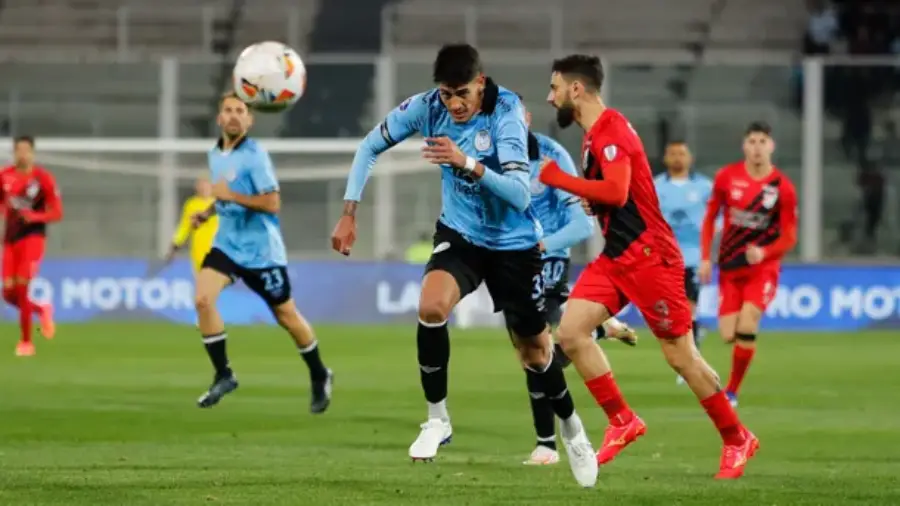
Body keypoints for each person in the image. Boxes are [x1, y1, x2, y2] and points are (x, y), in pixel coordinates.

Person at [331, 44, 598, 487]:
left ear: (481, 82)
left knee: (535, 352)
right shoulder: (427, 107)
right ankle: (437, 419)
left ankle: (573, 431)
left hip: (514, 244)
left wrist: (466, 162)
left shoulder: (506, 112)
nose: (454, 104)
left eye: (462, 94)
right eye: (446, 93)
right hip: (462, 235)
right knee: (432, 307)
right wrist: (349, 211)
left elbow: (519, 193)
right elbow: (369, 146)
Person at [539, 54, 758, 479]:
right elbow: (617, 193)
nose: (551, 97)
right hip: (617, 257)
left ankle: (737, 438)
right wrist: (592, 197)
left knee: (681, 357)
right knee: (569, 331)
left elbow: (619, 192)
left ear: (576, 89)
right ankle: (622, 420)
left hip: (648, 258)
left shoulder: (611, 130)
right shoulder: (593, 136)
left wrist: (560, 179)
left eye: (555, 88)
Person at [190, 92, 333, 413]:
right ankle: (224, 374)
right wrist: (209, 211)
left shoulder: (255, 155)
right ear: (219, 117)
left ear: (250, 120)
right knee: (202, 299)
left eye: (240, 111)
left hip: (261, 253)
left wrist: (230, 195)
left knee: (287, 316)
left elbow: (272, 203)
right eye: (228, 110)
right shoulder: (216, 153)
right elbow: (226, 194)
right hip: (227, 245)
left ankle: (319, 372)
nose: (234, 116)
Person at [518, 98, 637, 466]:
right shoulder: (489, 157)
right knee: (534, 353)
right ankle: (600, 331)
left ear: (527, 118)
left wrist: (543, 245)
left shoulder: (551, 156)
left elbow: (582, 224)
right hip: (512, 260)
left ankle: (547, 445)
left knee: (538, 352)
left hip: (548, 260)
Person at [699, 122, 798, 408]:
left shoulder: (783, 188)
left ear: (771, 146)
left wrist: (765, 252)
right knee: (729, 333)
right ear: (745, 146)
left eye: (762, 141)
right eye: (752, 141)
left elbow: (789, 235)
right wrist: (706, 257)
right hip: (730, 267)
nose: (757, 147)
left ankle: (731, 391)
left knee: (748, 321)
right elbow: (709, 219)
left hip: (762, 269)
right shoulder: (727, 177)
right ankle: (732, 377)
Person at [653, 141, 712, 385]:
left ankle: (690, 356)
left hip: (692, 257)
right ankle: (692, 340)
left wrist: (708, 256)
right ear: (666, 158)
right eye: (673, 153)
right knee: (670, 311)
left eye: (682, 153)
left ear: (690, 158)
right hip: (664, 256)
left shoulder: (705, 187)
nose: (678, 158)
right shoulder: (656, 186)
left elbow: (716, 219)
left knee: (688, 307)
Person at [0, 136, 61, 357]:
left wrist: (34, 216)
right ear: (14, 153)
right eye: (19, 150)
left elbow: (57, 212)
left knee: (23, 287)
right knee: (7, 294)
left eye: (26, 150)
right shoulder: (4, 176)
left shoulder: (43, 179)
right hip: (10, 239)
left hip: (33, 238)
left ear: (33, 153)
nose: (22, 154)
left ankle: (26, 342)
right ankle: (41, 309)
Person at [165, 176, 218, 274]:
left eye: (206, 186)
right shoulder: (191, 204)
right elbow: (184, 227)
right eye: (200, 186)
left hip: (218, 251)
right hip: (198, 252)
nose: (203, 189)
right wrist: (175, 246)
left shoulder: (220, 203)